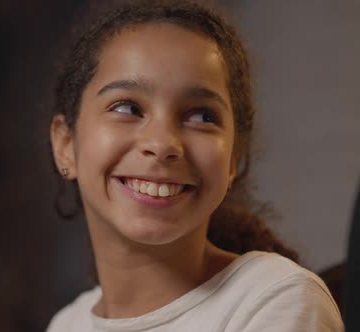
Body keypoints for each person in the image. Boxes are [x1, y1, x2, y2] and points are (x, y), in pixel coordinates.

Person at [46, 0, 344, 331]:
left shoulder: (273, 300)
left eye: (201, 115)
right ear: (65, 145)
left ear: (234, 158)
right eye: (127, 108)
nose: (161, 144)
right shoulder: (66, 324)